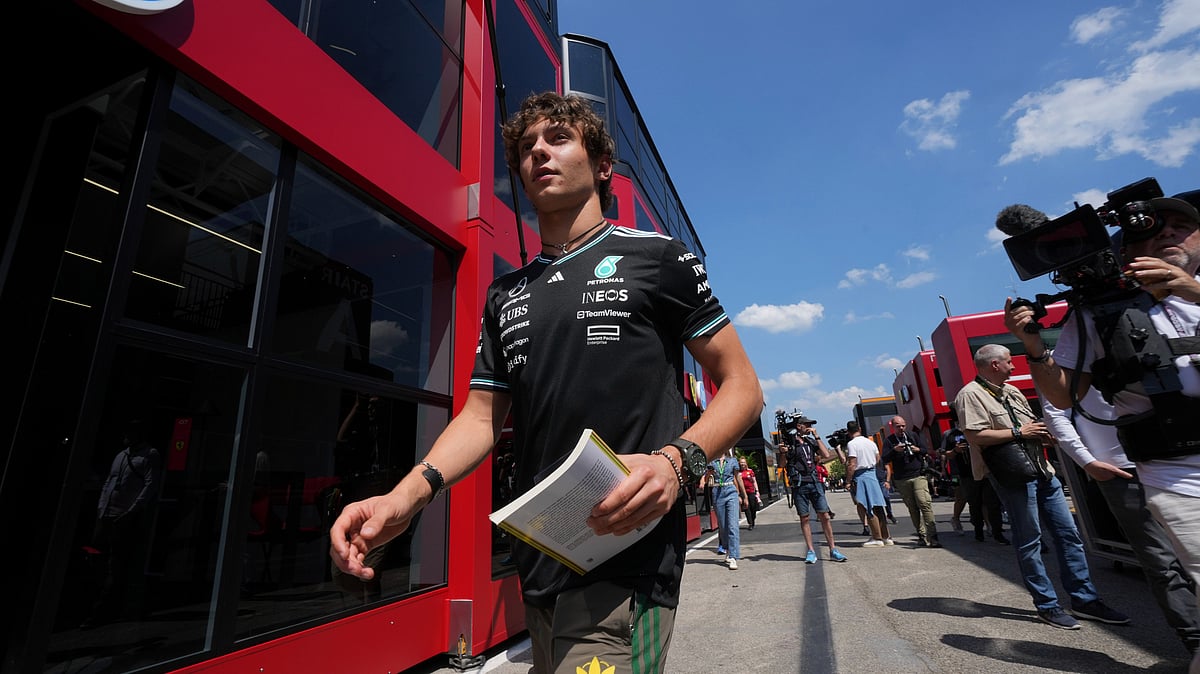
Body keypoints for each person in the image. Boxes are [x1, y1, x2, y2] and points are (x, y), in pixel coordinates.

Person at [329, 91, 762, 674]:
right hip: (539, 567)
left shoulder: (657, 258)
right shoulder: (505, 294)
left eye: (558, 138)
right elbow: (480, 418)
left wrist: (675, 462)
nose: (538, 152)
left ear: (602, 166)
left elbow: (742, 386)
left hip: (628, 560)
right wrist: (404, 497)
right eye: (527, 147)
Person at [954, 343, 1129, 630]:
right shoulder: (970, 394)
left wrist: (1041, 434)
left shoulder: (1012, 391)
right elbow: (975, 436)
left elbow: (1029, 426)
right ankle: (1047, 605)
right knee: (1030, 540)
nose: (1013, 366)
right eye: (1009, 361)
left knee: (1068, 535)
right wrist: (1018, 432)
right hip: (1013, 477)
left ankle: (1084, 600)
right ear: (994, 364)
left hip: (1043, 471)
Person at [1042, 385, 1200, 656]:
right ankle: (1195, 642)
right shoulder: (1065, 364)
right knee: (1161, 561)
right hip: (1120, 471)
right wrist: (1088, 462)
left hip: (1182, 460)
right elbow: (1056, 413)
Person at [83, 419, 162, 628]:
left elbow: (150, 485)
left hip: (123, 515)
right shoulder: (122, 455)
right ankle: (99, 602)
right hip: (107, 514)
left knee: (117, 561)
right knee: (98, 556)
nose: (125, 436)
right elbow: (109, 481)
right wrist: (101, 507)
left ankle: (105, 608)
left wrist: (132, 511)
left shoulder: (149, 455)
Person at [781, 420, 849, 563]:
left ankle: (833, 549)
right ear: (799, 426)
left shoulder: (811, 441)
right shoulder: (791, 443)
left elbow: (825, 454)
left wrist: (817, 436)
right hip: (799, 483)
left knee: (825, 516)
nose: (810, 427)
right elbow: (782, 464)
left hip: (814, 481)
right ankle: (811, 550)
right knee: (804, 518)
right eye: (807, 425)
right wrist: (782, 453)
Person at [883, 415, 940, 547]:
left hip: (918, 474)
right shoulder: (889, 441)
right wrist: (894, 450)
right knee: (913, 508)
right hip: (902, 478)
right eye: (898, 426)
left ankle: (933, 536)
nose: (901, 428)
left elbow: (925, 450)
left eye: (903, 425)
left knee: (924, 503)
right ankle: (921, 535)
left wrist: (917, 449)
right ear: (893, 427)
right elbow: (884, 458)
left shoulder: (913, 436)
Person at [844, 420, 894, 547]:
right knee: (878, 505)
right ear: (860, 429)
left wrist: (848, 481)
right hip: (873, 474)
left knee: (868, 505)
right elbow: (877, 459)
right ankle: (886, 536)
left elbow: (852, 464)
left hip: (861, 475)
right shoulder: (870, 442)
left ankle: (876, 537)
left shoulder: (852, 444)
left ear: (848, 432)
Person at [710, 449, 748, 568]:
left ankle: (733, 556)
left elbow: (738, 478)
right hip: (717, 492)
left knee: (733, 525)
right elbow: (706, 477)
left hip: (731, 491)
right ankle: (727, 548)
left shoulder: (732, 461)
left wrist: (744, 496)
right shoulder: (712, 461)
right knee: (723, 526)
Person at [737, 457, 762, 530]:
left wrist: (757, 491)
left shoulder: (750, 471)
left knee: (753, 507)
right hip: (743, 492)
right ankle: (750, 523)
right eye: (741, 462)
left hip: (751, 491)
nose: (742, 464)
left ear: (746, 463)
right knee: (746, 507)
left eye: (744, 462)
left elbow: (754, 481)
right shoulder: (738, 472)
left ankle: (753, 519)